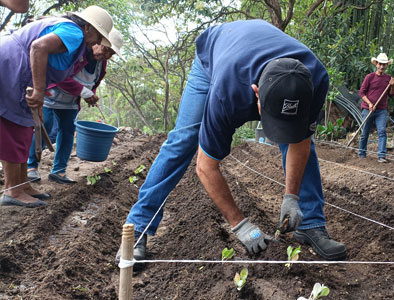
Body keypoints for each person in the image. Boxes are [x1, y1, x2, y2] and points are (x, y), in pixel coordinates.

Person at [117, 20, 347, 263]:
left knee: (300, 138)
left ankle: (311, 223)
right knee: (183, 139)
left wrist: (292, 197)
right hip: (215, 58)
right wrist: (240, 224)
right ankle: (138, 227)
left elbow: (300, 141)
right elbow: (205, 167)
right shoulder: (228, 93)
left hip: (252, 53)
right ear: (256, 93)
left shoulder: (316, 79)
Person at [0, 5, 113, 207]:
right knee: (14, 129)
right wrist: (38, 92)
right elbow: (38, 47)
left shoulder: (76, 40)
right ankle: (13, 190)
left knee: (25, 130)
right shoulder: (74, 32)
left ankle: (22, 184)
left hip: (19, 74)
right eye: (98, 36)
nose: (98, 41)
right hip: (10, 69)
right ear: (87, 27)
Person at [27, 28, 124, 184]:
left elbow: (94, 81)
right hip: (51, 94)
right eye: (106, 49)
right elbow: (59, 75)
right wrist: (84, 91)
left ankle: (59, 171)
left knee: (67, 131)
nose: (106, 55)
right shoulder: (77, 51)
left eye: (111, 54)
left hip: (70, 101)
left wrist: (91, 94)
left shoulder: (101, 64)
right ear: (99, 42)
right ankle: (30, 167)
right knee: (44, 125)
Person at [358, 53, 394, 163]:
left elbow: (391, 95)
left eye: (384, 64)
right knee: (365, 132)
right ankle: (362, 153)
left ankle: (381, 156)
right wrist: (369, 104)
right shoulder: (369, 77)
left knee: (382, 131)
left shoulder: (389, 79)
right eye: (380, 64)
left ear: (386, 66)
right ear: (376, 64)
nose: (382, 66)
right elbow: (361, 93)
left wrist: (392, 85)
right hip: (367, 108)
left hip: (381, 110)